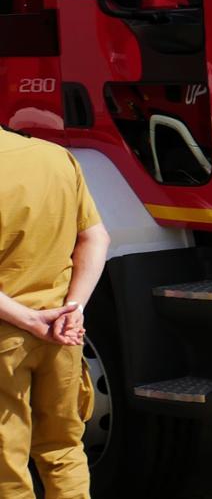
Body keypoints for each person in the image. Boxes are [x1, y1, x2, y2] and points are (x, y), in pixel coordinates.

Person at [0, 126, 109, 498]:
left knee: (6, 466)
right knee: (63, 449)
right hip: (63, 333)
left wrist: (28, 319)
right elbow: (96, 237)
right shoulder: (56, 157)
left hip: (7, 340)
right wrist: (74, 308)